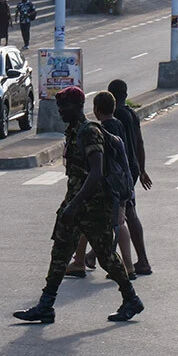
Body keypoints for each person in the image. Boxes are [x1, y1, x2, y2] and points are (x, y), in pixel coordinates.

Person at [12, 86, 144, 324]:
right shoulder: (73, 131)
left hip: (94, 206)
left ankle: (131, 298)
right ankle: (46, 305)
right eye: (59, 106)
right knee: (60, 251)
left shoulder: (89, 132)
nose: (61, 111)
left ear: (78, 107)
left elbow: (95, 173)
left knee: (106, 257)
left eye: (65, 107)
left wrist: (74, 205)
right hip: (75, 202)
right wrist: (70, 205)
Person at [65, 91, 137, 280]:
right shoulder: (118, 124)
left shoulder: (100, 131)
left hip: (109, 184)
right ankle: (82, 260)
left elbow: (99, 163)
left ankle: (125, 268)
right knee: (95, 222)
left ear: (96, 110)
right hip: (122, 180)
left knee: (113, 223)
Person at [108, 79, 153, 275]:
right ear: (126, 94)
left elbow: (118, 147)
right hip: (133, 168)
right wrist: (141, 170)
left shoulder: (116, 116)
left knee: (123, 214)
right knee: (127, 213)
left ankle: (140, 261)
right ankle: (140, 260)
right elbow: (140, 143)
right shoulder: (132, 114)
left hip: (122, 171)